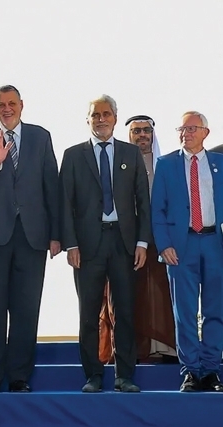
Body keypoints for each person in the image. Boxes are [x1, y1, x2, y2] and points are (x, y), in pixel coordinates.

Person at [0, 85, 60, 393]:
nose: (6, 108)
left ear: (22, 105)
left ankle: (19, 375)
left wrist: (56, 234)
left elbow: (51, 185)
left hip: (32, 235)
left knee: (26, 309)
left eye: (11, 103)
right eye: (0, 105)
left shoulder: (40, 136)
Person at [59, 95, 150, 393]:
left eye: (106, 113)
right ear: (88, 119)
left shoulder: (130, 153)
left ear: (114, 117)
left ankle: (124, 375)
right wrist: (70, 244)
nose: (101, 119)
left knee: (124, 310)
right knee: (88, 313)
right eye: (95, 114)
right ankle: (93, 375)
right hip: (87, 246)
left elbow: (142, 202)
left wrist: (142, 242)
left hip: (123, 243)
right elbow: (65, 204)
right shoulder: (73, 155)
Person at [151, 111, 223, 392]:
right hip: (181, 246)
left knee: (216, 310)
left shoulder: (219, 164)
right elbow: (158, 209)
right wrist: (164, 245)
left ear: (206, 132)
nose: (187, 133)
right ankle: (191, 371)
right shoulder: (166, 164)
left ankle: (212, 370)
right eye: (183, 128)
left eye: (193, 128)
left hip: (214, 243)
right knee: (185, 312)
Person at [99, 115, 176, 364]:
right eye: (136, 131)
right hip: (123, 241)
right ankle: (126, 350)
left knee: (159, 296)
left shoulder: (165, 164)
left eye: (146, 130)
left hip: (160, 241)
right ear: (128, 135)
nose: (142, 135)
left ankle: (162, 349)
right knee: (123, 297)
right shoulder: (117, 161)